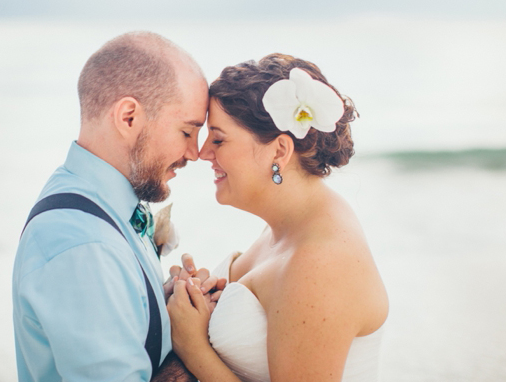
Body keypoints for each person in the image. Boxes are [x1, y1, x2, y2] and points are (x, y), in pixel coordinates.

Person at [12, 31, 223, 382]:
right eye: (187, 132)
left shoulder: (92, 201)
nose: (194, 153)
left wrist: (162, 309)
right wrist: (194, 349)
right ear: (128, 117)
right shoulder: (84, 247)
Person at [167, 54, 389, 381]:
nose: (202, 153)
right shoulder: (290, 225)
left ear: (279, 151)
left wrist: (192, 345)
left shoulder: (321, 264)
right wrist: (204, 301)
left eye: (219, 138)